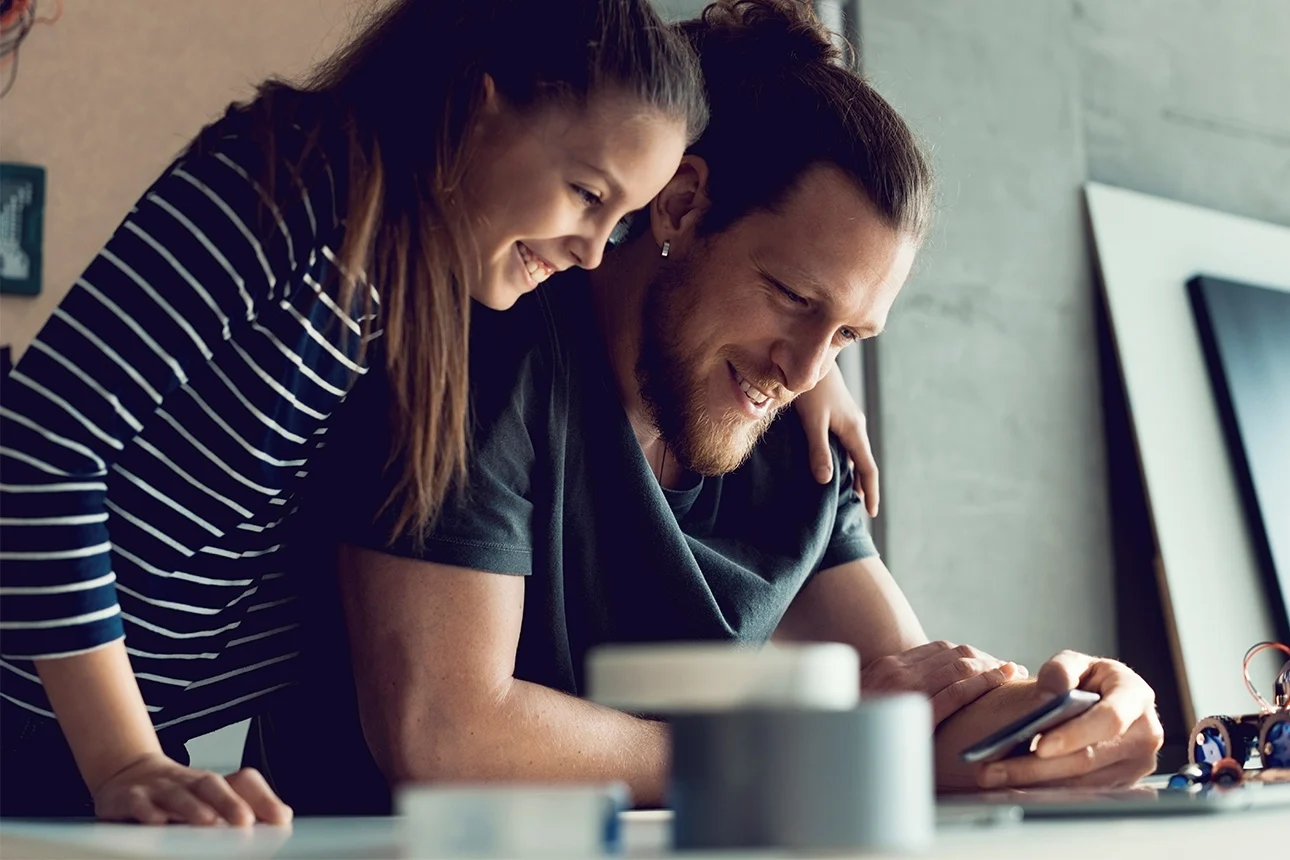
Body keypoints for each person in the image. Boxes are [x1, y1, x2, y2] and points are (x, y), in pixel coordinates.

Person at [247, 0, 1163, 815]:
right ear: (682, 205)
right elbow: (446, 733)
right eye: (794, 298)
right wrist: (799, 751)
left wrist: (1082, 714)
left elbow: (911, 722)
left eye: (847, 336)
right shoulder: (488, 351)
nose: (805, 369)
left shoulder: (799, 434)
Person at [0, 0, 720, 824]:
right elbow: (41, 446)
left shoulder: (434, 289)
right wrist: (123, 756)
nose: (591, 250)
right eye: (585, 192)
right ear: (474, 108)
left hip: (112, 742)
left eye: (621, 222)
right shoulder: (290, 176)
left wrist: (811, 373)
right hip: (47, 721)